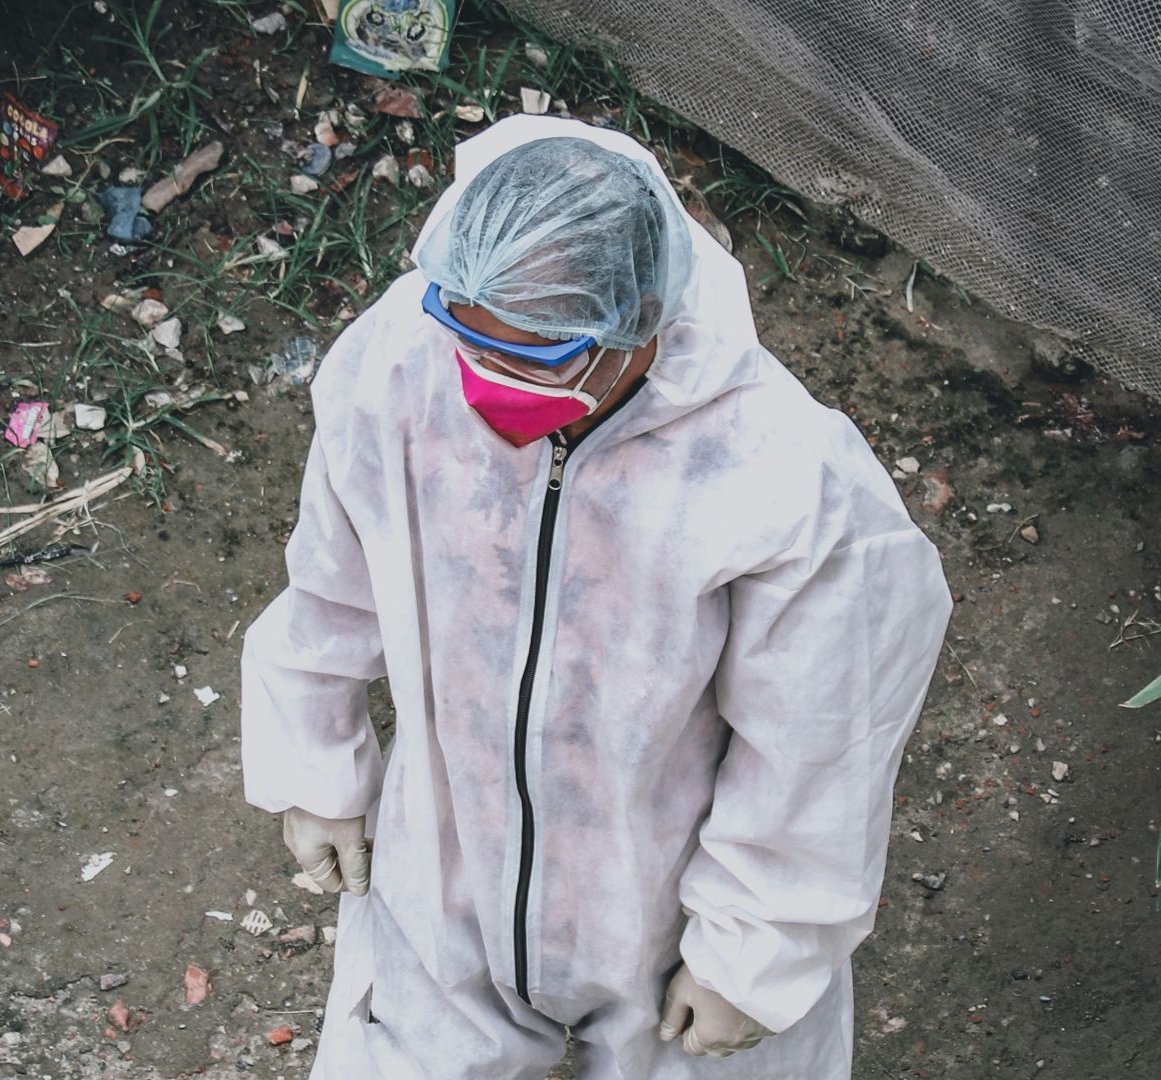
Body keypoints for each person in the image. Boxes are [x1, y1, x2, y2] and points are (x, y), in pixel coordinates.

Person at [240, 115, 953, 1079]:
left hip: (662, 910)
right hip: (446, 875)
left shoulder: (782, 478)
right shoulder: (400, 363)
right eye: (468, 337)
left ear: (643, 320)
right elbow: (334, 572)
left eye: (537, 358)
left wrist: (755, 949)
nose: (488, 382)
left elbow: (826, 739)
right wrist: (315, 758)